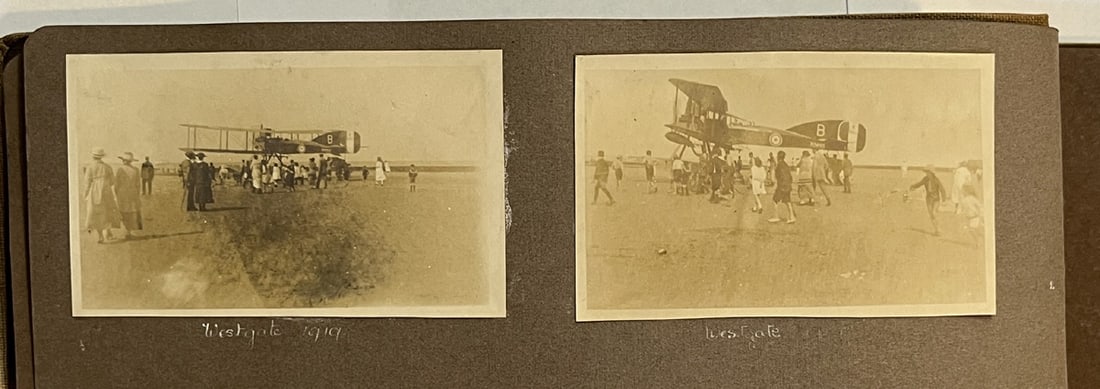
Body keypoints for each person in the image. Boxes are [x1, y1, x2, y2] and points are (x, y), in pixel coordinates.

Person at [83, 147, 120, 243]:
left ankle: (100, 236)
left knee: (96, 213)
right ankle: (108, 232)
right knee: (107, 210)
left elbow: (87, 182)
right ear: (101, 157)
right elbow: (112, 181)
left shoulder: (90, 167)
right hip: (106, 191)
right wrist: (105, 184)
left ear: (93, 156)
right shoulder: (107, 167)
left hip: (94, 191)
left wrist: (86, 194)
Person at [908, 164, 947, 236]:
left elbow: (942, 189)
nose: (926, 173)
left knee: (934, 213)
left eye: (927, 172)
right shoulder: (925, 179)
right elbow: (919, 184)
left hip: (936, 199)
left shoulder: (936, 180)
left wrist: (944, 198)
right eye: (926, 172)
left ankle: (939, 229)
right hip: (929, 199)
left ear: (931, 172)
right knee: (931, 215)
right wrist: (913, 186)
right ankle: (937, 230)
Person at [115, 152, 143, 238]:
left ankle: (126, 231)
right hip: (132, 193)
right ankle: (129, 231)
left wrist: (117, 192)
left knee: (123, 211)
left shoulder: (120, 170)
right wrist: (137, 194)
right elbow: (138, 184)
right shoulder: (136, 170)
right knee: (132, 212)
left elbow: (117, 183)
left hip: (122, 193)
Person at [768, 151, 796, 224]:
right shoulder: (786, 165)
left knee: (775, 200)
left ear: (778, 157)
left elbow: (774, 178)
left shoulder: (779, 165)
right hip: (788, 186)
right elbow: (790, 177)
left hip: (781, 186)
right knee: (787, 201)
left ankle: (776, 216)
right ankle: (792, 217)